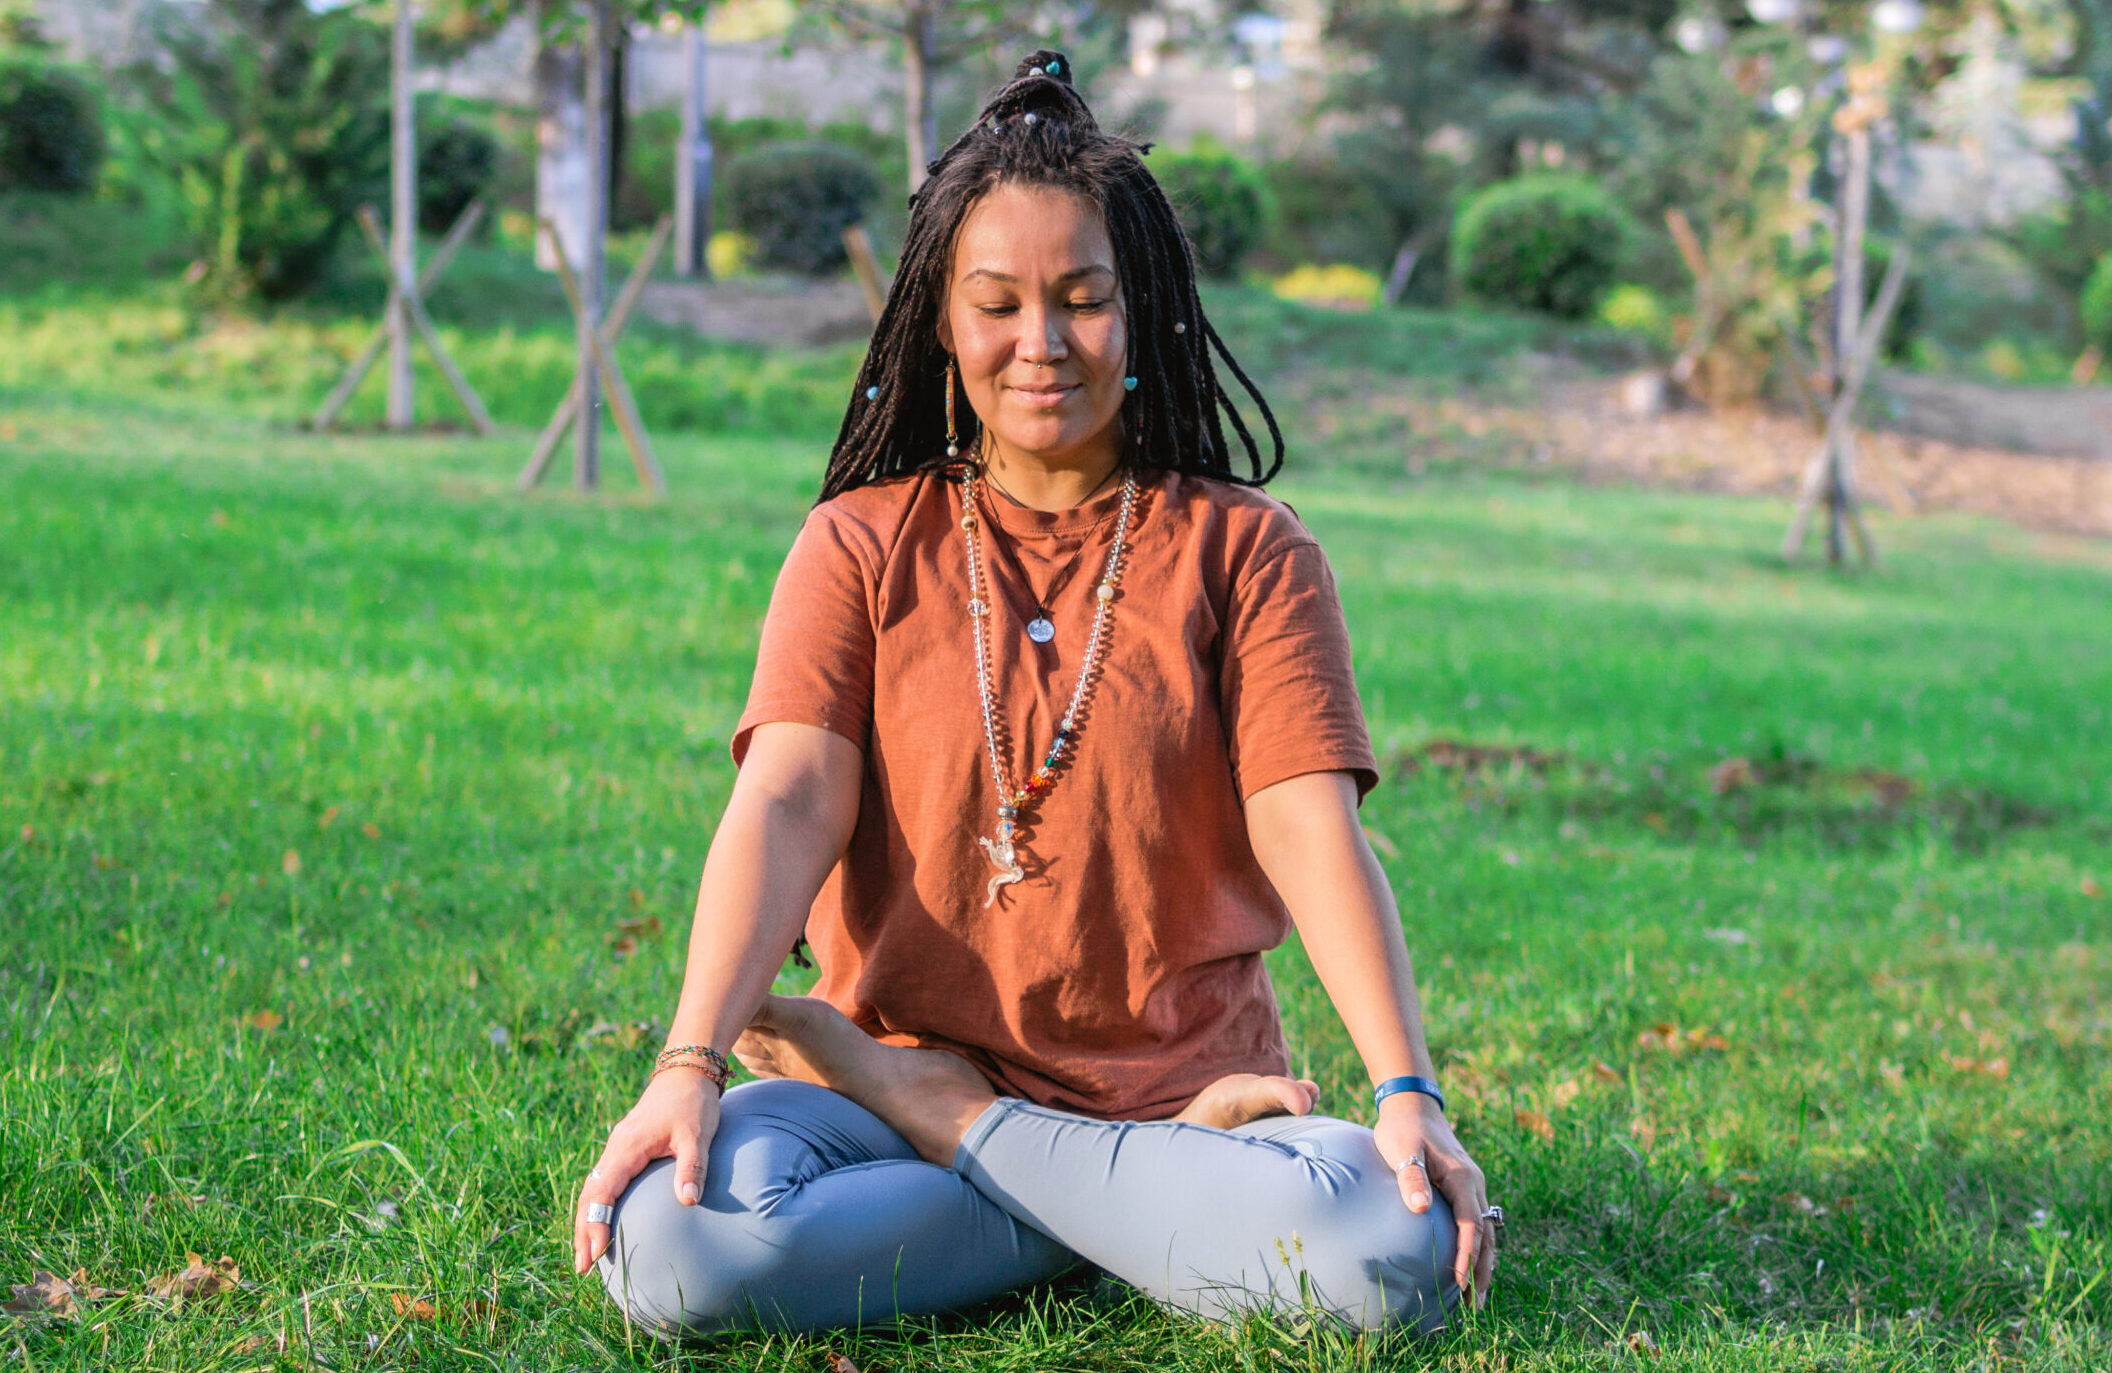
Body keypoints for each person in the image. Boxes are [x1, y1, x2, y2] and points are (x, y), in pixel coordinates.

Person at [571, 50, 1497, 1338]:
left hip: (1167, 1096)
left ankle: (970, 1138)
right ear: (942, 326)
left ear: (1148, 311)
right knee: (675, 1247)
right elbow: (787, 797)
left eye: (1084, 298)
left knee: (1387, 1243)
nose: (1042, 343)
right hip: (874, 1090)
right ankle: (1131, 1221)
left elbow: (1307, 824)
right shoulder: (858, 543)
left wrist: (1407, 1094)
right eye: (998, 303)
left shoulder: (1248, 550)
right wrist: (688, 1066)